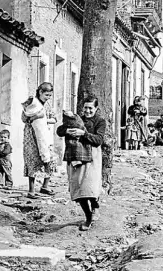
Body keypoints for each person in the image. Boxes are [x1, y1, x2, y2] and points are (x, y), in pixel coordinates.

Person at [56, 96, 106, 231]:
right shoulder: (77, 119)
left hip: (92, 158)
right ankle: (88, 216)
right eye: (85, 108)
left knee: (89, 188)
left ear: (96, 108)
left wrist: (83, 133)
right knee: (78, 189)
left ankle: (94, 207)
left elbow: (98, 140)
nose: (87, 111)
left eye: (90, 108)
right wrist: (67, 130)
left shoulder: (100, 121)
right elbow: (59, 130)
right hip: (76, 156)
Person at [21, 81, 56, 198]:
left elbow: (53, 119)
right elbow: (24, 118)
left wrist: (42, 118)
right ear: (40, 92)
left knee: (49, 158)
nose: (48, 98)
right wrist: (34, 117)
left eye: (50, 95)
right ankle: (31, 190)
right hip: (31, 136)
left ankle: (45, 186)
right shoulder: (32, 103)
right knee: (32, 159)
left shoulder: (46, 105)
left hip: (44, 135)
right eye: (46, 95)